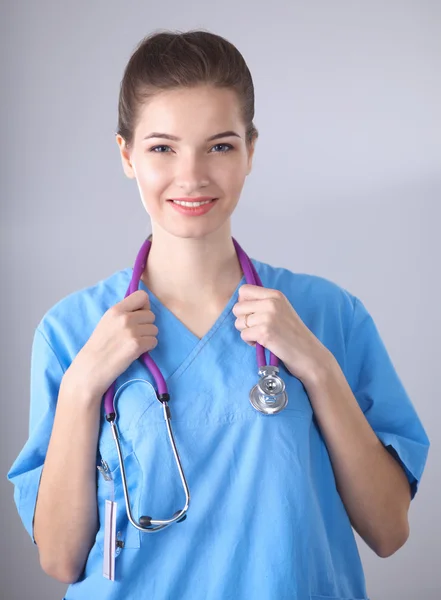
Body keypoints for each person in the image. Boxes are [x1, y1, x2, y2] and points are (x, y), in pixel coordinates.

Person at [7, 29, 430, 600]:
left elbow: (388, 530)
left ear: (251, 151)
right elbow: (59, 559)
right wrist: (84, 385)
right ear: (127, 156)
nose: (192, 176)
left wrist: (319, 369)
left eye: (220, 146)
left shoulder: (330, 316)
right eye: (162, 148)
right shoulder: (70, 333)